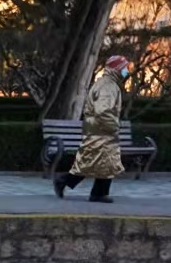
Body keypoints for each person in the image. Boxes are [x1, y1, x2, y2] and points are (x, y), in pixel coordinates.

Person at [54, 55, 128, 205]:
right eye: (124, 67)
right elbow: (103, 111)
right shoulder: (109, 87)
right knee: (98, 162)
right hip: (102, 130)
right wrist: (114, 126)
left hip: (97, 129)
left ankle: (97, 192)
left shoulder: (104, 84)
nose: (126, 71)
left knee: (102, 162)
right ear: (117, 69)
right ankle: (68, 182)